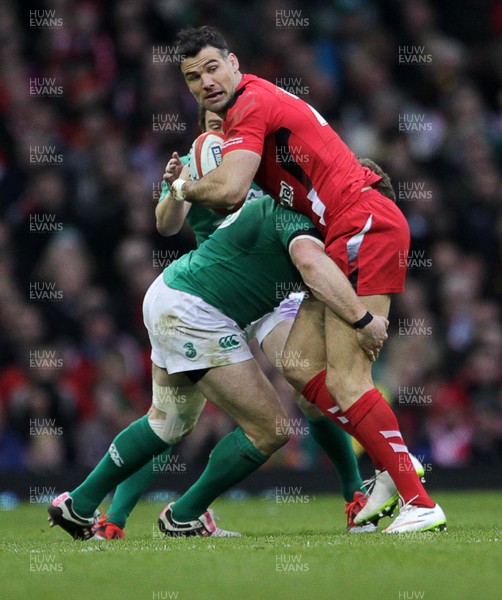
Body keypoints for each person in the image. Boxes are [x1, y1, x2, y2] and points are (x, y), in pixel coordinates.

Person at [164, 26, 446, 533]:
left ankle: (418, 500)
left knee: (346, 378)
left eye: (211, 68)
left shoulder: (250, 102)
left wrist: (182, 185)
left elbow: (229, 191)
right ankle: (389, 465)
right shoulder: (244, 113)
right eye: (192, 77)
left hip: (362, 225)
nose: (205, 82)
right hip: (350, 228)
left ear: (233, 62)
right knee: (298, 364)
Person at [48, 130, 391, 541]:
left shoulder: (279, 186)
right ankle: (182, 514)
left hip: (186, 292)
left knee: (167, 423)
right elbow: (310, 266)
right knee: (272, 428)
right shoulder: (290, 210)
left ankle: (80, 504)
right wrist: (362, 320)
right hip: (202, 307)